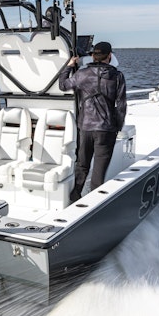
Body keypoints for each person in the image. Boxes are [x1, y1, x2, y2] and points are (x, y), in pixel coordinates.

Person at [59, 41, 127, 201]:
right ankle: (93, 203)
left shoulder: (81, 74)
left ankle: (75, 196)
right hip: (106, 129)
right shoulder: (117, 76)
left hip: (85, 127)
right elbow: (121, 105)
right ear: (109, 56)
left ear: (93, 56)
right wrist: (118, 127)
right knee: (99, 171)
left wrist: (69, 66)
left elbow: (63, 85)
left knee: (82, 165)